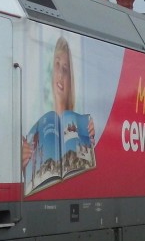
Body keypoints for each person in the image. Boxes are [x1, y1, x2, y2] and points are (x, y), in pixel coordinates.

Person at [22, 36, 96, 172]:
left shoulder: (81, 124)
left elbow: (83, 166)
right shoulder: (34, 120)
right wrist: (21, 163)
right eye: (57, 65)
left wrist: (90, 143)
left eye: (65, 69)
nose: (60, 74)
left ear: (71, 79)